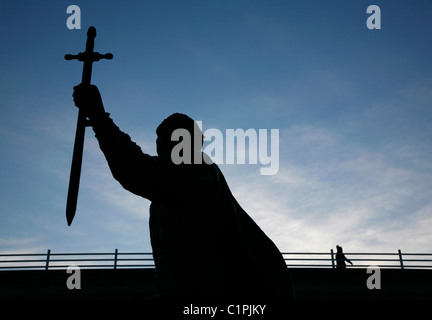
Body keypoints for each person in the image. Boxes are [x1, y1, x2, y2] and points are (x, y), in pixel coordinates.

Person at [72, 84, 295, 300]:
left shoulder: (196, 172)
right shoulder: (179, 183)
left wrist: (100, 118)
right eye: (159, 140)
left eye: (166, 139)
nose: (160, 146)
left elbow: (137, 169)